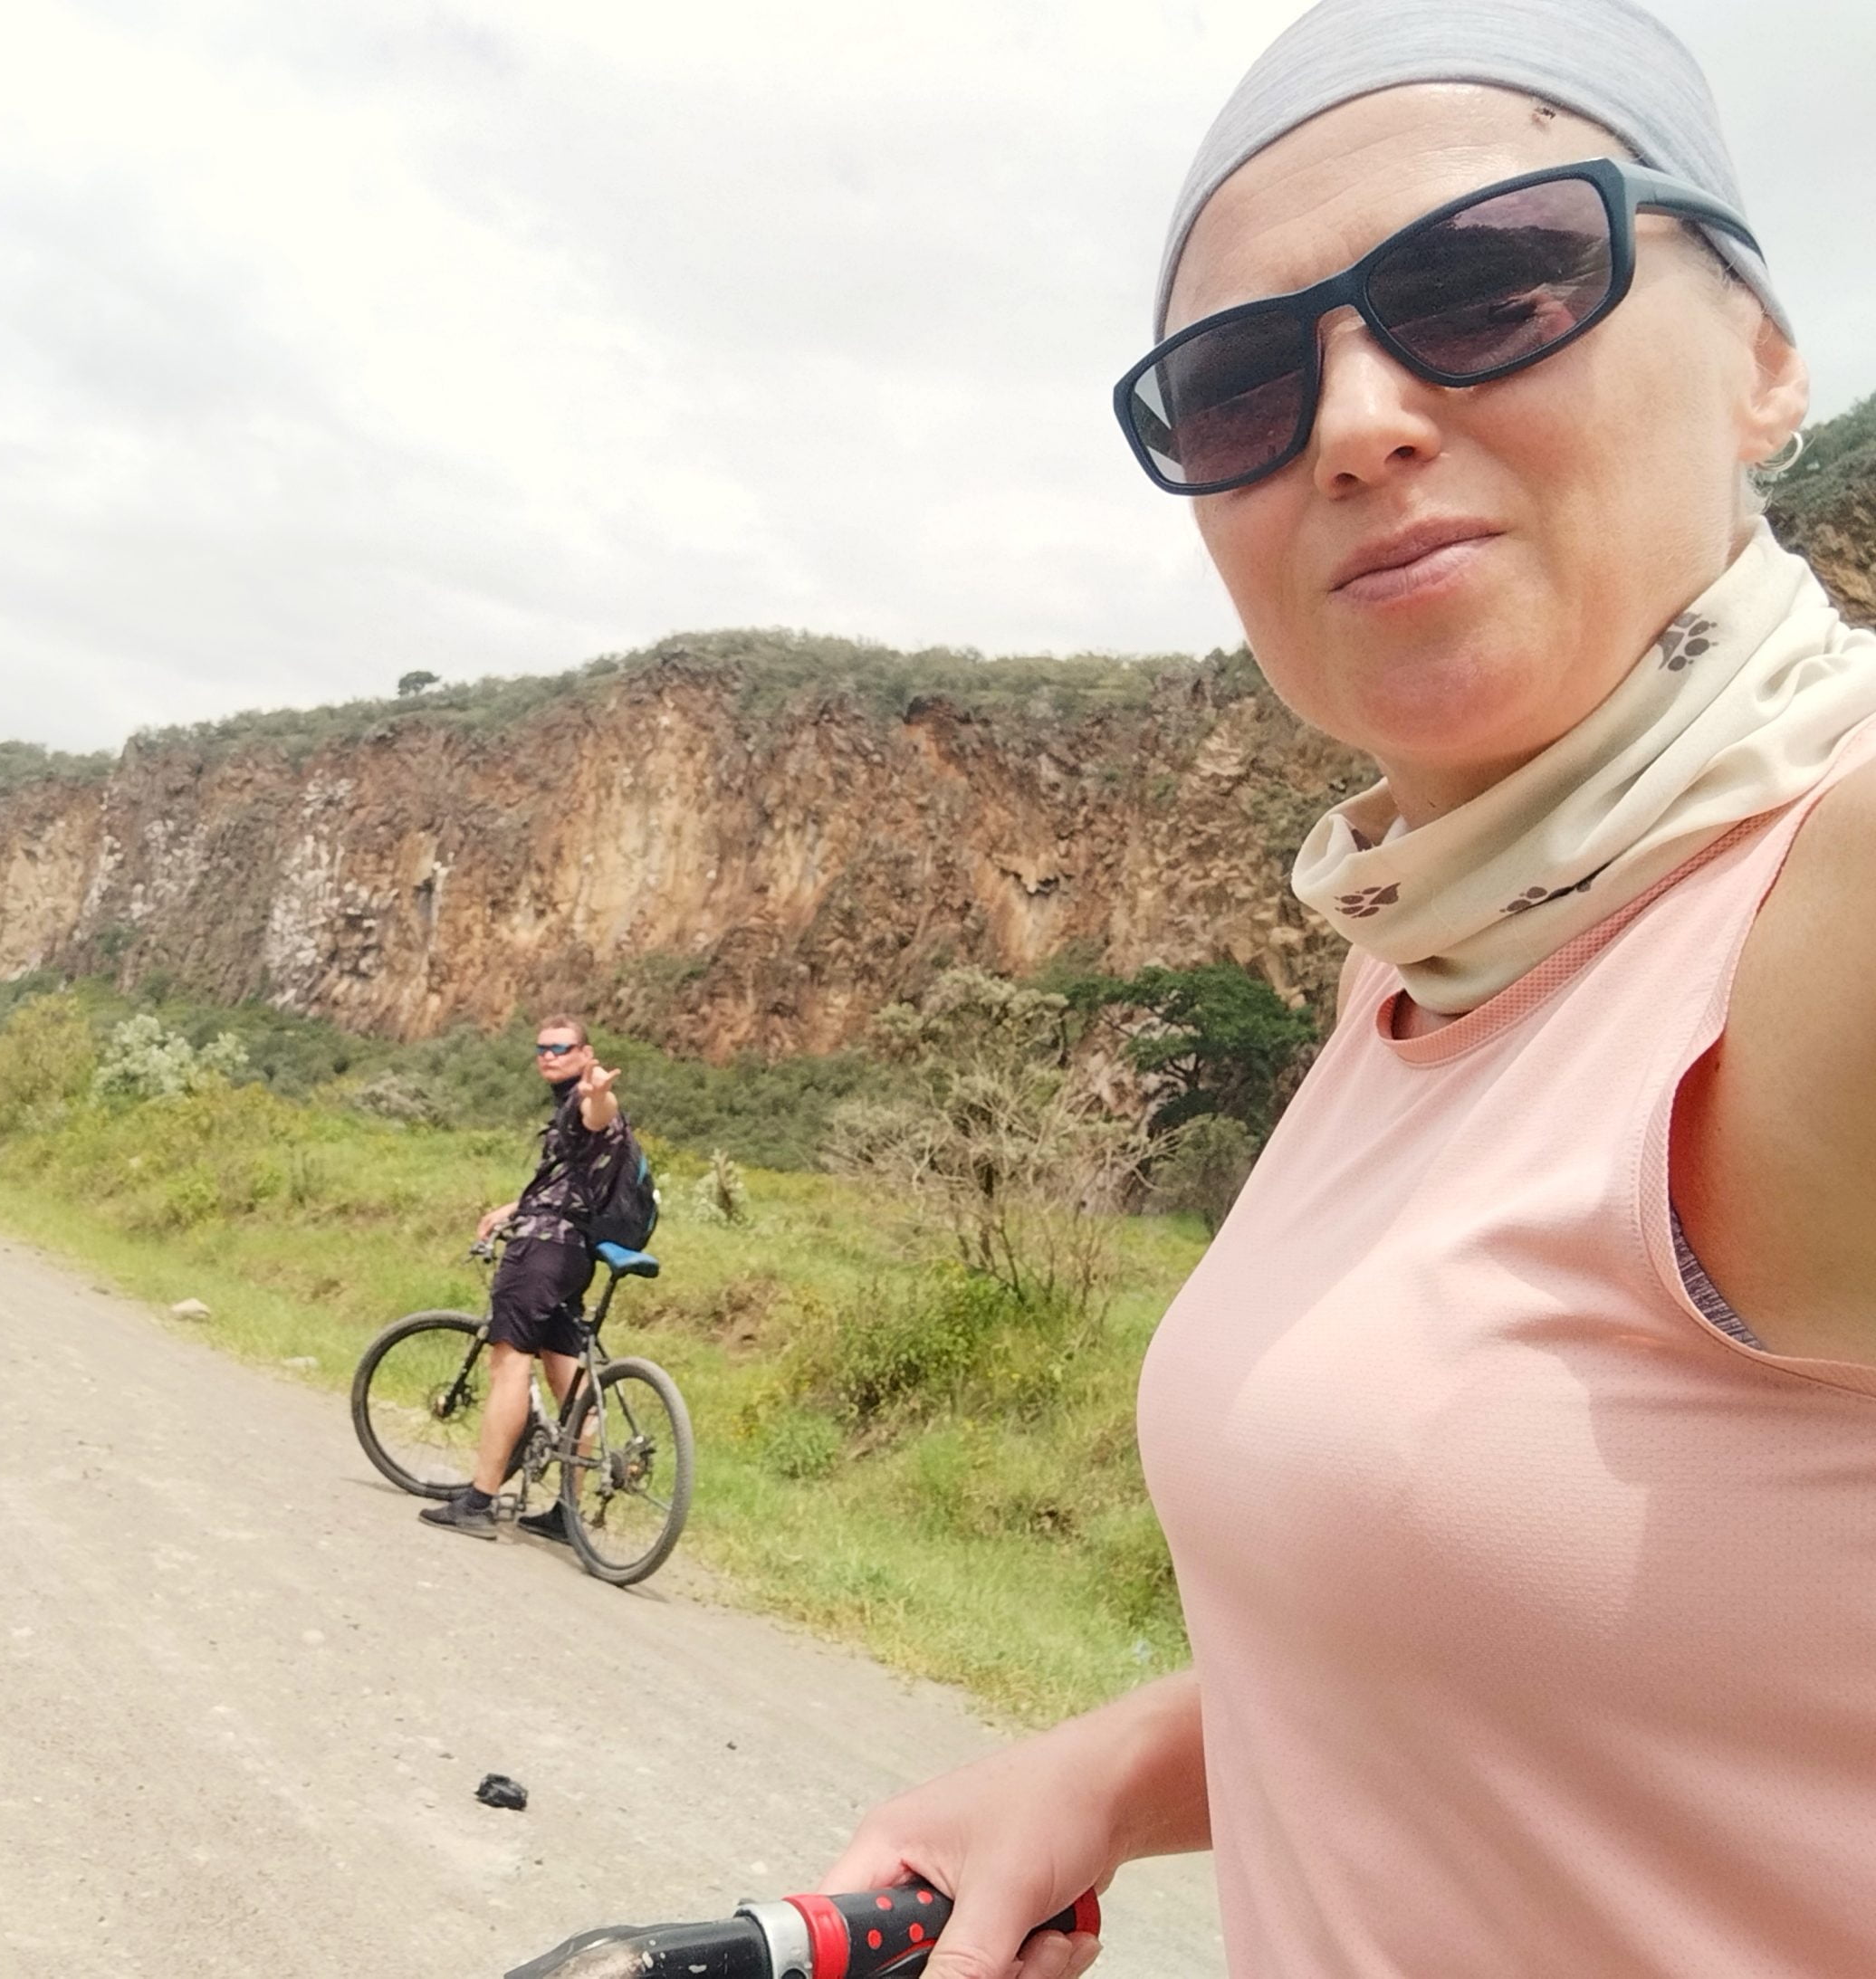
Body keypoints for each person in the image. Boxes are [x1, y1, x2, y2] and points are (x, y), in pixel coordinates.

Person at [826, 4, 1876, 1974]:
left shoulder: (1818, 905)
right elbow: (1531, 1649)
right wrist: (1107, 1773)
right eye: (1234, 387)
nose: (1355, 419)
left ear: (1757, 358)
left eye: (1487, 282)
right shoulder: (1431, 956)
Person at [419, 1014, 627, 1543]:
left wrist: (599, 1093)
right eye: (541, 1048)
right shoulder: (564, 1108)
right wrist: (512, 1208)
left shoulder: (585, 1099)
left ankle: (480, 1501)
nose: (548, 1055)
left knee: (509, 1362)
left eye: (561, 1047)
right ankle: (568, 1513)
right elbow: (570, 1181)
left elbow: (599, 1113)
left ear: (586, 1052)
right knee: (570, 1385)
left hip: (541, 1253)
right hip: (574, 1254)